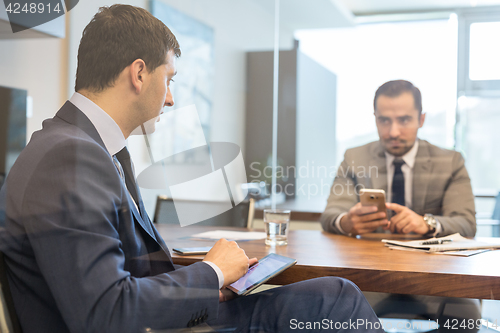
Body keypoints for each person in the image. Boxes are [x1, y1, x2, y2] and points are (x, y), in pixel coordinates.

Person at [0, 5, 383, 332]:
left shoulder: (83, 147)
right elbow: (107, 311)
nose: (169, 98)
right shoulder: (70, 158)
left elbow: (125, 278)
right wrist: (211, 272)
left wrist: (204, 284)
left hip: (163, 319)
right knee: (336, 300)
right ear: (138, 74)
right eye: (168, 80)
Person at [320, 80, 480, 331]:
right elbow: (330, 215)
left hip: (433, 279)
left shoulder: (450, 161)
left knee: (466, 317)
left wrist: (426, 223)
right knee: (329, 313)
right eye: (384, 120)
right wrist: (347, 221)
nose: (393, 131)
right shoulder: (354, 157)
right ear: (375, 119)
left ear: (421, 119)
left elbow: (466, 223)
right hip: (371, 276)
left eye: (404, 120)